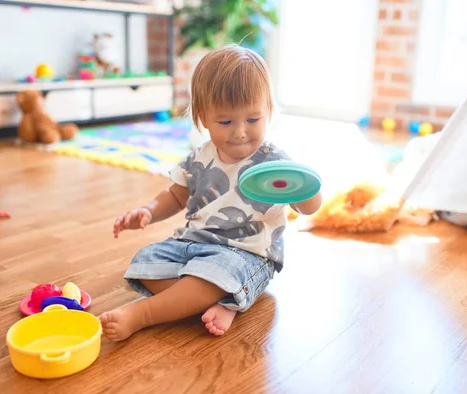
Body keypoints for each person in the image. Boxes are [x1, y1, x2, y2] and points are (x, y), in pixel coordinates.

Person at [99, 45, 322, 341]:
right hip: (194, 244)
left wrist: (304, 189)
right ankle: (216, 299)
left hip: (247, 255)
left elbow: (308, 207)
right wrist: (149, 211)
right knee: (144, 263)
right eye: (226, 121)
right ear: (203, 118)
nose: (241, 132)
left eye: (253, 120)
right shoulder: (199, 157)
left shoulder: (274, 163)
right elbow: (176, 196)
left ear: (268, 111)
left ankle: (146, 314)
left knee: (219, 271)